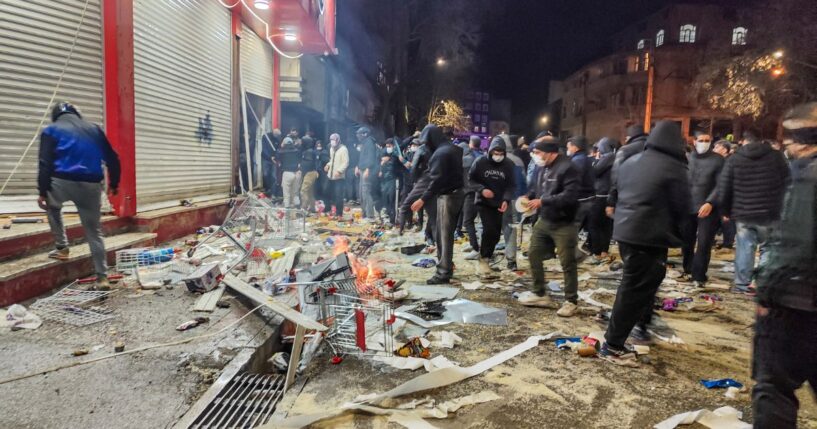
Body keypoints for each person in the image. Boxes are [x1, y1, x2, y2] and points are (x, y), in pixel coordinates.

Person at [600, 121, 692, 363]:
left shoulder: (632, 160)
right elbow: (683, 205)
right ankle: (613, 344)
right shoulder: (674, 167)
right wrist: (683, 237)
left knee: (637, 285)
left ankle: (632, 329)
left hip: (626, 231)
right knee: (635, 288)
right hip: (650, 236)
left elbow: (617, 190)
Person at [752, 102, 817, 429]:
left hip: (795, 303)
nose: (786, 148)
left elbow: (796, 243)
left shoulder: (809, 179)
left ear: (806, 142)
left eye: (790, 142)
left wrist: (765, 291)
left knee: (773, 387)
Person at [37, 102, 121, 288]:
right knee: (94, 232)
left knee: (53, 207)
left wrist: (43, 192)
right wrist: (114, 184)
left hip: (61, 182)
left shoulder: (50, 130)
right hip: (90, 185)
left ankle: (62, 247)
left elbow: (45, 163)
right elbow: (113, 158)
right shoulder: (94, 129)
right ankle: (102, 277)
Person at [717, 130, 790, 293]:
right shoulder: (776, 157)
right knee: (768, 249)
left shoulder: (735, 159)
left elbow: (725, 187)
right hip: (770, 212)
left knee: (744, 248)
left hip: (743, 212)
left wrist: (725, 210)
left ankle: (742, 285)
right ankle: (762, 283)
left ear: (744, 141)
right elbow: (787, 182)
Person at [518, 138, 581, 317]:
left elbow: (570, 196)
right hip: (544, 220)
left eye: (538, 152)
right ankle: (540, 293)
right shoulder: (541, 166)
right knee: (533, 254)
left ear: (550, 152)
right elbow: (536, 189)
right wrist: (528, 197)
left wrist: (543, 201)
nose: (535, 156)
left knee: (567, 262)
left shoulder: (569, 168)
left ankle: (571, 301)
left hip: (564, 222)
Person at [410, 124, 464, 284]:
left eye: (426, 143)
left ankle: (443, 272)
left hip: (447, 196)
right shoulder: (454, 149)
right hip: (458, 193)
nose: (426, 146)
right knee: (446, 234)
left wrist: (422, 199)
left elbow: (435, 181)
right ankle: (447, 266)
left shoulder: (440, 154)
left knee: (443, 235)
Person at [680, 133, 724, 287]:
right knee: (686, 240)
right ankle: (688, 268)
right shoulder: (687, 158)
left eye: (707, 141)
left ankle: (699, 275)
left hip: (708, 207)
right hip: (687, 206)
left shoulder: (718, 160)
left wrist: (710, 202)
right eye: (701, 140)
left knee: (704, 242)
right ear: (694, 141)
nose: (704, 143)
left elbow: (721, 185)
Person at [469, 137, 515, 279]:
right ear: (490, 151)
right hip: (483, 202)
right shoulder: (480, 162)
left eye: (501, 153)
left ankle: (487, 258)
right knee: (488, 229)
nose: (498, 155)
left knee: (495, 233)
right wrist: (482, 189)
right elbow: (471, 179)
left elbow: (511, 185)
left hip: (499, 203)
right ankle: (483, 259)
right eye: (496, 152)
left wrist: (506, 199)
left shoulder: (508, 164)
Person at [606, 124, 648, 218]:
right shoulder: (653, 148)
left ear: (629, 137)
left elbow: (616, 177)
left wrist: (611, 201)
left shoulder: (625, 150)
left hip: (627, 198)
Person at [587, 137, 618, 264]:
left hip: (601, 195)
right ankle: (604, 251)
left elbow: (594, 172)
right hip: (610, 196)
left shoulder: (608, 157)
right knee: (606, 225)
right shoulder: (616, 157)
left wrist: (596, 160)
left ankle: (597, 252)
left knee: (594, 224)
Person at [712, 140, 736, 249]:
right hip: (718, 195)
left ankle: (728, 244)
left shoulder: (729, 161)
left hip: (727, 196)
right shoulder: (719, 161)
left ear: (724, 150)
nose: (714, 150)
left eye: (717, 147)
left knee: (726, 220)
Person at [355, 127, 379, 220]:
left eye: (359, 134)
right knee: (362, 193)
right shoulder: (365, 143)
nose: (358, 136)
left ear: (365, 134)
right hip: (362, 169)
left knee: (366, 192)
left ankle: (370, 215)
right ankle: (364, 213)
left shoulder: (369, 143)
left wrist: (367, 169)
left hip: (367, 170)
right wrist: (358, 166)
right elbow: (363, 158)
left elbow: (371, 158)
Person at [458, 139, 478, 246]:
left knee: (468, 221)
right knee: (467, 218)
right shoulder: (475, 158)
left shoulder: (465, 161)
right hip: (475, 192)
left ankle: (474, 247)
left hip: (469, 192)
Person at [324, 133, 349, 218]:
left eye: (334, 140)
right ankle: (328, 209)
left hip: (339, 177)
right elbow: (332, 160)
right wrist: (328, 165)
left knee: (339, 195)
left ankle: (339, 213)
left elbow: (345, 162)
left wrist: (339, 171)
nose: (332, 142)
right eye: (331, 140)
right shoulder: (331, 149)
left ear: (338, 140)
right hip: (330, 175)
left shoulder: (343, 149)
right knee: (326, 192)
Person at [378, 139, 399, 225]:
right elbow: (380, 160)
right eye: (386, 146)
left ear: (393, 146)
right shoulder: (384, 152)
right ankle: (387, 218)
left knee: (392, 200)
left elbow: (393, 165)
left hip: (393, 179)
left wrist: (388, 160)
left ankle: (393, 220)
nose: (387, 148)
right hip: (385, 179)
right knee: (385, 198)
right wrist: (381, 167)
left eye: (389, 146)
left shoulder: (396, 153)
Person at [276, 136, 301, 208]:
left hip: (287, 173)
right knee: (295, 194)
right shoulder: (297, 150)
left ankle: (287, 213)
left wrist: (281, 146)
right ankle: (298, 211)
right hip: (297, 173)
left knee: (286, 195)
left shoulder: (281, 152)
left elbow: (277, 159)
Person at [298, 136, 319, 212]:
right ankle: (312, 208)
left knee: (303, 191)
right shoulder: (309, 150)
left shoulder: (309, 152)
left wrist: (301, 167)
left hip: (309, 173)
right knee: (310, 192)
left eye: (302, 142)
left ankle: (303, 208)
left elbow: (308, 163)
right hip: (310, 173)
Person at [261, 129, 280, 197]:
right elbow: (264, 149)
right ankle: (267, 189)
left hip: (274, 160)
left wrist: (275, 157)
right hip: (266, 159)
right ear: (273, 133)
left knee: (273, 176)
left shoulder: (277, 139)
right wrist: (269, 157)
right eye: (276, 135)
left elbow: (278, 150)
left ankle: (273, 192)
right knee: (265, 174)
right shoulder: (265, 137)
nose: (277, 136)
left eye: (278, 135)